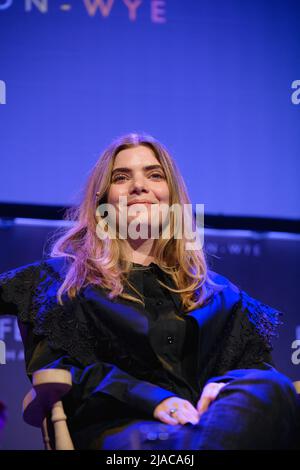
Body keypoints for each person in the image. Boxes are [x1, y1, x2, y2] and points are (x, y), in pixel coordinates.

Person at [0, 133, 298, 450]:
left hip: (209, 426)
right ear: (103, 201)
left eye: (154, 175)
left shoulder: (217, 294)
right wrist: (153, 400)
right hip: (124, 434)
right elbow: (63, 372)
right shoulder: (61, 281)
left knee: (270, 386)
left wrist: (227, 385)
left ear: (171, 197)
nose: (139, 186)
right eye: (121, 177)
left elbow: (258, 374)